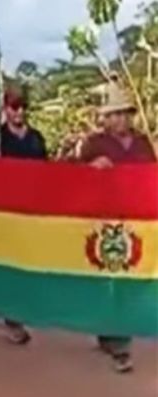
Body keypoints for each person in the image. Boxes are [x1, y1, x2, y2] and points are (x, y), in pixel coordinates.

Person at [76, 84, 156, 374]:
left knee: (130, 278)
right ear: (106, 119)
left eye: (124, 114)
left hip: (137, 221)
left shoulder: (143, 144)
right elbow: (68, 176)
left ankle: (117, 334)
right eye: (115, 115)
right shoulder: (94, 144)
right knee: (108, 276)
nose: (121, 120)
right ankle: (115, 339)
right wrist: (91, 168)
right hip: (104, 221)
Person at [0, 87, 48, 346]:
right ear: (5, 109)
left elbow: (46, 172)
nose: (18, 112)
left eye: (22, 107)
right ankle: (13, 319)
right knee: (8, 262)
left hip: (32, 211)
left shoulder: (36, 139)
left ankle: (23, 309)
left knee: (29, 261)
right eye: (13, 107)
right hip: (5, 214)